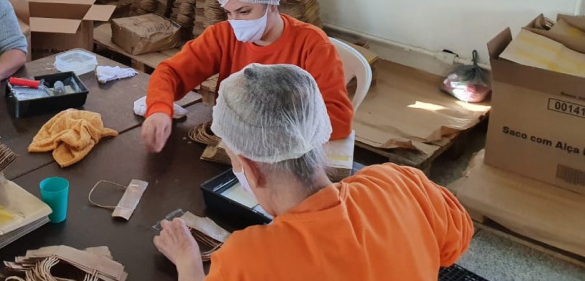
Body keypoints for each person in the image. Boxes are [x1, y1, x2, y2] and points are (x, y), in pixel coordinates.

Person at [153, 64, 474, 281]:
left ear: (250, 168)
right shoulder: (400, 182)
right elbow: (453, 245)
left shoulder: (247, 261)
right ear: (317, 128)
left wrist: (188, 261)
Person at [142, 0, 353, 153]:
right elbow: (171, 73)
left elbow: (338, 118)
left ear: (272, 2)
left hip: (288, 151)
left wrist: (272, 135)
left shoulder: (312, 45)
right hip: (235, 146)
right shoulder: (223, 35)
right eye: (229, 13)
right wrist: (159, 109)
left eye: (244, 11)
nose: (236, 22)